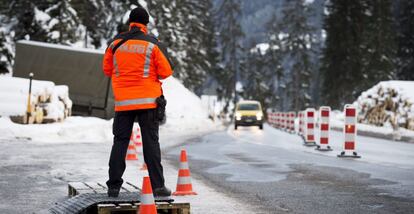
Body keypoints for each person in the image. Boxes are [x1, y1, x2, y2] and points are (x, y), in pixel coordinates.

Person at [102, 6, 173, 198]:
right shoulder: (152, 44)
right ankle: (158, 186)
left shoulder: (115, 44)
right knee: (151, 144)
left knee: (120, 142)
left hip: (123, 103)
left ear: (130, 22)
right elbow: (166, 72)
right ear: (146, 24)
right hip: (148, 103)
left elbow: (107, 70)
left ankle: (113, 187)